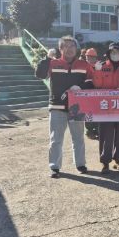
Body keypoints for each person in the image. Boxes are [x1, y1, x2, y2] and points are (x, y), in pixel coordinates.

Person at [35, 35, 94, 178]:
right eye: (66, 46)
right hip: (57, 107)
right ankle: (54, 167)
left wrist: (80, 87)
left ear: (76, 48)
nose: (69, 49)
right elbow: (39, 74)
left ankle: (80, 164)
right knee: (56, 139)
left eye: (72, 46)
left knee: (78, 138)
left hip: (77, 107)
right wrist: (47, 58)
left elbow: (91, 83)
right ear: (60, 49)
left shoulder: (84, 65)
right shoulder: (53, 63)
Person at [93, 42, 119, 174]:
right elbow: (97, 85)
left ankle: (118, 159)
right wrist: (97, 71)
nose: (115, 54)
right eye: (112, 52)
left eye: (117, 52)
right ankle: (105, 162)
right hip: (106, 107)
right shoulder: (102, 66)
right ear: (108, 54)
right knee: (106, 135)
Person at [84, 47, 99, 139]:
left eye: (91, 57)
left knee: (97, 112)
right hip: (87, 92)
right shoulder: (83, 66)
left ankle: (97, 129)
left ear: (95, 57)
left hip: (97, 92)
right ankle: (89, 131)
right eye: (88, 57)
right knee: (88, 113)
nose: (89, 58)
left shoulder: (99, 65)